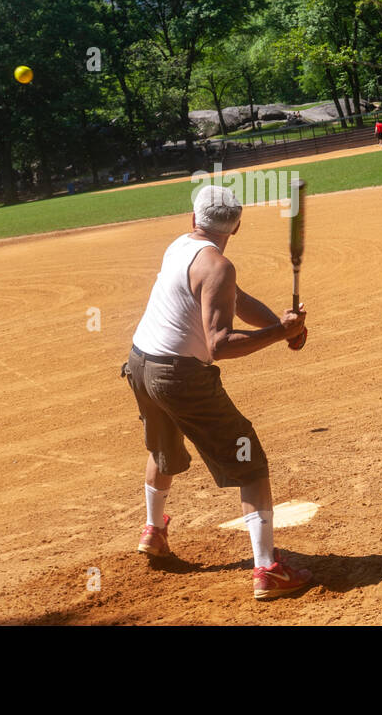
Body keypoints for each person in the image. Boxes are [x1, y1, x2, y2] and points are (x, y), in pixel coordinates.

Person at [121, 185, 312, 600]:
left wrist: (281, 333)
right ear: (237, 226)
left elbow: (235, 299)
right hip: (180, 377)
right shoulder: (218, 267)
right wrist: (281, 331)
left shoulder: (181, 247)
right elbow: (219, 345)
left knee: (162, 450)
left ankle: (154, 531)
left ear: (194, 220)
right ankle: (267, 571)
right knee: (249, 460)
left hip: (140, 364)